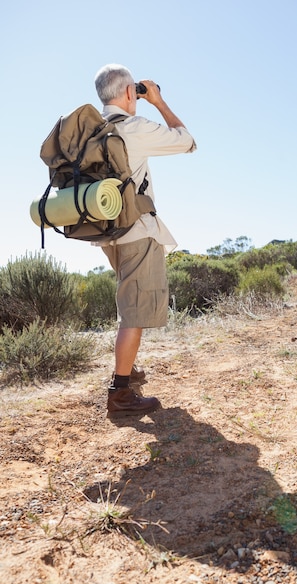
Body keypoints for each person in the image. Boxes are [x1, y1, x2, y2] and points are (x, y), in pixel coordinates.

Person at [94, 64, 196, 418]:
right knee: (134, 313)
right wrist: (158, 101)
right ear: (128, 93)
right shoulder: (132, 127)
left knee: (129, 304)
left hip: (107, 233)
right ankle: (120, 394)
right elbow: (187, 141)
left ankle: (128, 371)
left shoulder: (94, 131)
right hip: (136, 230)